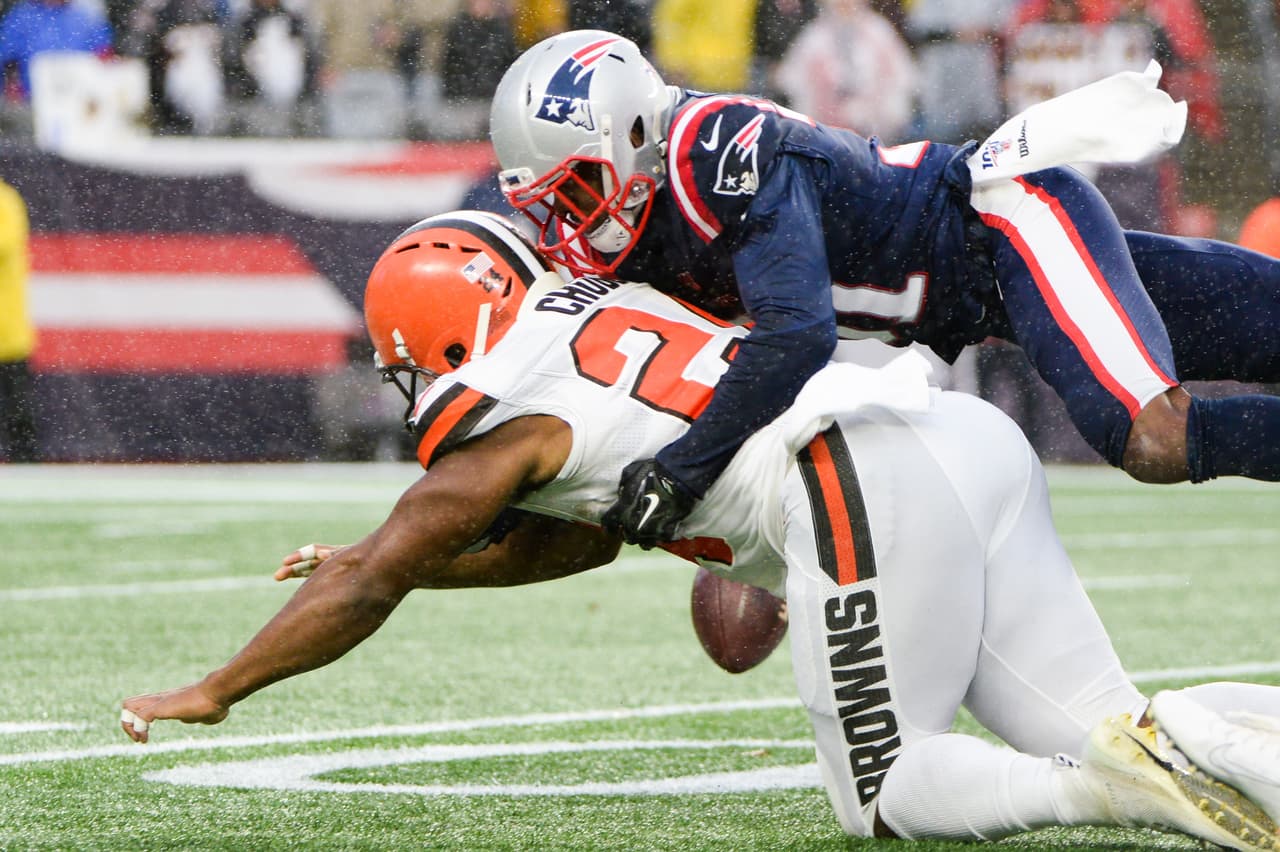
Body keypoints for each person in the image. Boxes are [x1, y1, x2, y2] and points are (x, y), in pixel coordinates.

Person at [121, 211, 1280, 848]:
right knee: (1103, 720)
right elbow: (572, 538)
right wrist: (409, 569)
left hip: (856, 476)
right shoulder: (605, 312)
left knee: (885, 794)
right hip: (951, 431)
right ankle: (1216, 755)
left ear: (431, 340)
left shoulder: (507, 423)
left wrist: (218, 687)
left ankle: (1104, 796)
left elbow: (377, 576)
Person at [487, 30, 1280, 548]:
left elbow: (795, 335)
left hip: (1007, 220)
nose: (571, 221)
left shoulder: (717, 155)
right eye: (551, 203)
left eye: (580, 188)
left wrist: (683, 468)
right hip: (991, 295)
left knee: (1152, 438)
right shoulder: (649, 218)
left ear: (633, 134)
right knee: (1264, 322)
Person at [0, 177, 38, 462]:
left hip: (7, 333)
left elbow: (5, 244)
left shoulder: (5, 200)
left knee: (18, 413)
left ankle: (28, 473)